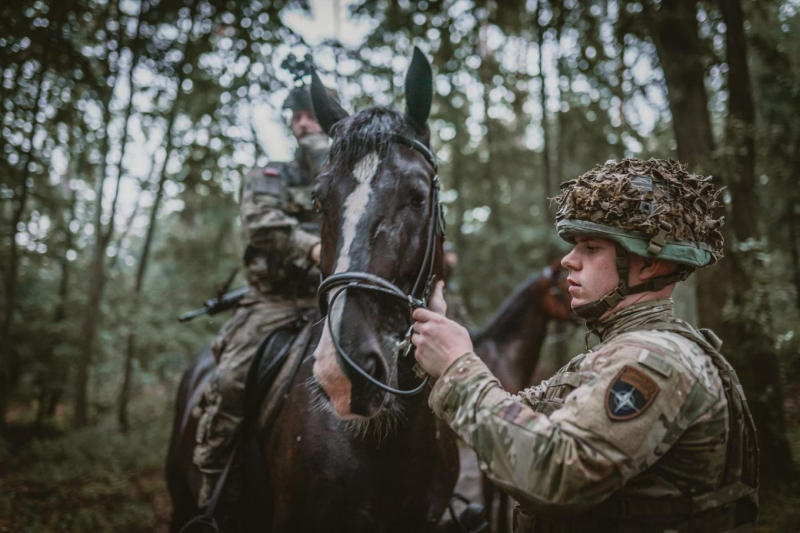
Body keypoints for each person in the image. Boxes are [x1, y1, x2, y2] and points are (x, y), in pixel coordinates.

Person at [412, 158, 758, 532]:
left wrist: (458, 367)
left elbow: (555, 477)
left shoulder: (656, 361)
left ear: (650, 265)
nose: (568, 261)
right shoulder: (610, 356)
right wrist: (436, 344)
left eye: (591, 248)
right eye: (574, 245)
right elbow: (512, 418)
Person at [192, 80, 329, 509]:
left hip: (335, 298)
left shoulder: (352, 176)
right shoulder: (271, 175)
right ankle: (211, 487)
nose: (304, 123)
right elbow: (263, 225)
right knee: (231, 380)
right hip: (276, 303)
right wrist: (313, 246)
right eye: (297, 117)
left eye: (312, 115)